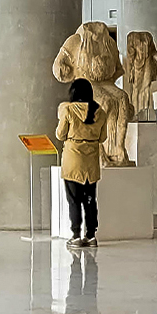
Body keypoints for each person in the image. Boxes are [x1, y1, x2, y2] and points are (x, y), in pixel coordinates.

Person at [55, 78, 107, 247]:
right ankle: (91, 235)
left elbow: (60, 135)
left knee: (74, 199)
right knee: (90, 198)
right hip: (91, 160)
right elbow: (103, 137)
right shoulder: (101, 112)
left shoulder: (68, 110)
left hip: (73, 159)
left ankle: (76, 235)